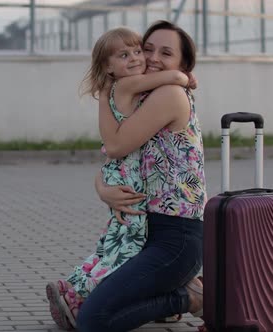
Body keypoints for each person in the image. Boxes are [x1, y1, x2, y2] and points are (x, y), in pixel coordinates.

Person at [45, 26, 196, 330]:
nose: (150, 58)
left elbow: (114, 146)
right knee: (105, 281)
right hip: (144, 232)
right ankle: (153, 295)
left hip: (173, 238)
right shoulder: (142, 95)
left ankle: (190, 297)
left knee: (93, 321)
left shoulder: (168, 94)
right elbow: (125, 159)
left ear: (183, 63)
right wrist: (102, 186)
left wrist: (177, 77)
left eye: (165, 53)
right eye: (147, 48)